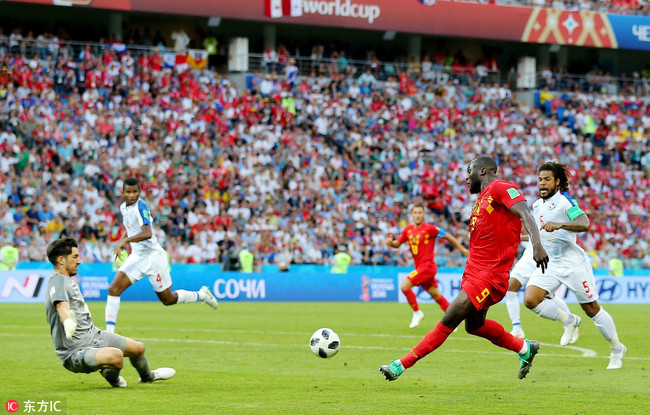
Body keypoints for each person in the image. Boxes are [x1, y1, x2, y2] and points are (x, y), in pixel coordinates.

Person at [379, 156, 549, 381]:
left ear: (481, 171)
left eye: (468, 172)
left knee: (449, 318)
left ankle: (400, 365)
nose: (466, 178)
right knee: (474, 326)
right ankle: (524, 348)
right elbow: (503, 231)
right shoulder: (482, 199)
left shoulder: (501, 187)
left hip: (490, 275)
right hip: (473, 271)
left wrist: (537, 244)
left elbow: (525, 213)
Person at [519, 162, 626, 369]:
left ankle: (616, 348)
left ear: (557, 182)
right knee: (531, 300)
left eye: (547, 179)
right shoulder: (536, 206)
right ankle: (569, 321)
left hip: (573, 264)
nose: (542, 183)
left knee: (591, 308)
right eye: (540, 179)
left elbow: (585, 223)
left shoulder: (565, 201)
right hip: (550, 263)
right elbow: (539, 233)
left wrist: (561, 224)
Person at [45, 237, 175, 387]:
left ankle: (148, 376)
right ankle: (112, 377)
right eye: (75, 257)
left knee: (139, 348)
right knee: (117, 357)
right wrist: (67, 321)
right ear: (61, 260)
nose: (79, 261)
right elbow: (61, 305)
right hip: (75, 351)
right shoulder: (57, 281)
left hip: (94, 335)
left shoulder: (68, 279)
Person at [105, 178, 218, 333]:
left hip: (153, 257)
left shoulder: (141, 206)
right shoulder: (123, 207)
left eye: (135, 192)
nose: (131, 195)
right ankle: (109, 334)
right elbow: (130, 227)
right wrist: (122, 240)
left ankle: (201, 295)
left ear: (139, 192)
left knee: (168, 299)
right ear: (122, 192)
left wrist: (124, 242)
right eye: (128, 192)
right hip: (138, 257)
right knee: (113, 289)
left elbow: (147, 232)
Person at [385, 204, 469, 328]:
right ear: (412, 214)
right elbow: (398, 243)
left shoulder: (430, 228)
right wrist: (391, 243)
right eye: (415, 213)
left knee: (404, 286)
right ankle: (456, 320)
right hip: (420, 268)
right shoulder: (407, 230)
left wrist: (462, 249)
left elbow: (447, 236)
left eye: (420, 213)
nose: (418, 215)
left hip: (427, 267)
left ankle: (417, 312)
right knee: (436, 295)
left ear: (424, 214)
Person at [506, 233, 577, 342]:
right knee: (510, 288)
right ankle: (517, 328)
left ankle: (571, 323)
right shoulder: (532, 216)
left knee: (548, 296)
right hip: (529, 256)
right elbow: (533, 231)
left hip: (546, 256)